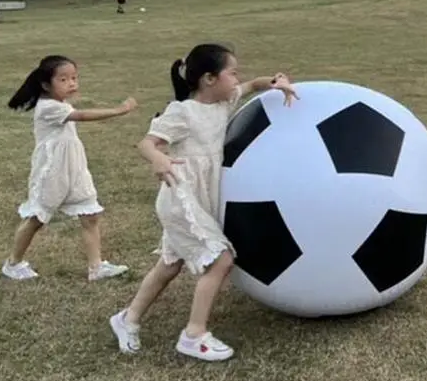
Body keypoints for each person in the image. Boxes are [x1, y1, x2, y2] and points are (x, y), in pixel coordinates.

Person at [109, 44, 298, 362]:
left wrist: (276, 82)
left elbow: (252, 85)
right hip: (181, 199)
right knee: (221, 260)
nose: (238, 78)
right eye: (232, 72)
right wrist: (158, 158)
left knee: (169, 265)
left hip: (201, 201)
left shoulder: (224, 103)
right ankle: (194, 335)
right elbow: (146, 142)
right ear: (210, 79)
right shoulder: (183, 112)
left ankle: (127, 319)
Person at [1, 55, 138, 281]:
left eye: (74, 78)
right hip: (52, 170)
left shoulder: (60, 103)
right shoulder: (48, 108)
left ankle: (96, 267)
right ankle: (13, 263)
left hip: (74, 167)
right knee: (37, 217)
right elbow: (82, 116)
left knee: (90, 214)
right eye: (63, 79)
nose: (72, 83)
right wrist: (119, 110)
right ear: (46, 85)